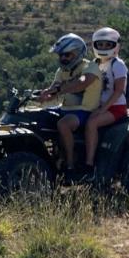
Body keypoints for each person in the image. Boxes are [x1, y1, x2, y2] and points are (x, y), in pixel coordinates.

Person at [36, 33, 103, 180]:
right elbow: (54, 89)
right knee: (35, 116)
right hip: (65, 109)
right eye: (61, 55)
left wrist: (58, 90)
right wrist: (43, 96)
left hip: (85, 111)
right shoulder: (62, 71)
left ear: (78, 53)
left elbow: (81, 83)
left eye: (67, 55)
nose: (63, 58)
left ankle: (70, 165)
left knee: (63, 124)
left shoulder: (89, 67)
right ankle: (48, 157)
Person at [82, 27, 128, 175]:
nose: (103, 48)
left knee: (91, 123)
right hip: (98, 105)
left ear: (115, 46)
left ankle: (89, 164)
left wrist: (102, 110)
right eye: (100, 45)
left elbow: (119, 90)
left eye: (107, 45)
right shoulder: (95, 63)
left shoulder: (118, 64)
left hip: (116, 107)